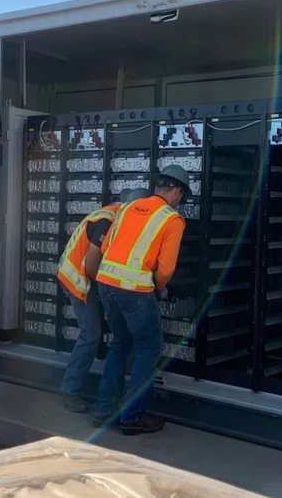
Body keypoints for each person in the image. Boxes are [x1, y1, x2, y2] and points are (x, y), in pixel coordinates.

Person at [91, 165, 189, 435]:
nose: (180, 202)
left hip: (106, 283)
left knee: (120, 343)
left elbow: (105, 246)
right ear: (177, 192)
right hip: (134, 289)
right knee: (149, 347)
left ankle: (103, 410)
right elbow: (166, 268)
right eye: (182, 197)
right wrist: (159, 286)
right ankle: (132, 416)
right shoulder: (172, 219)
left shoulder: (127, 208)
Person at [57, 187, 152, 412]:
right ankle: (70, 391)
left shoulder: (114, 216)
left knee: (119, 329)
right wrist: (109, 291)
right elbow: (91, 265)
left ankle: (120, 377)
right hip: (78, 278)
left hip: (87, 277)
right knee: (91, 334)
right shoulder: (108, 222)